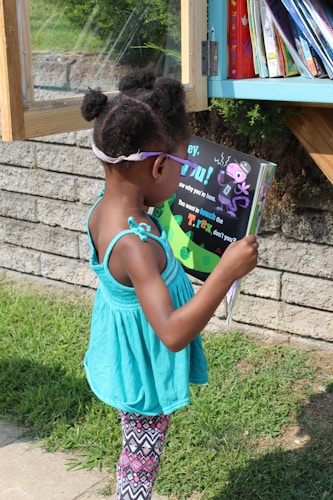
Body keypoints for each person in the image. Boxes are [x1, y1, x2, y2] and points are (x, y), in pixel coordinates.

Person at [81, 68, 258, 500]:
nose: (186, 176)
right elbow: (173, 332)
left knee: (138, 454)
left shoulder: (108, 210)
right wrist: (226, 272)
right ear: (159, 167)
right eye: (184, 165)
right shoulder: (135, 245)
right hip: (144, 374)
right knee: (140, 465)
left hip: (128, 354)